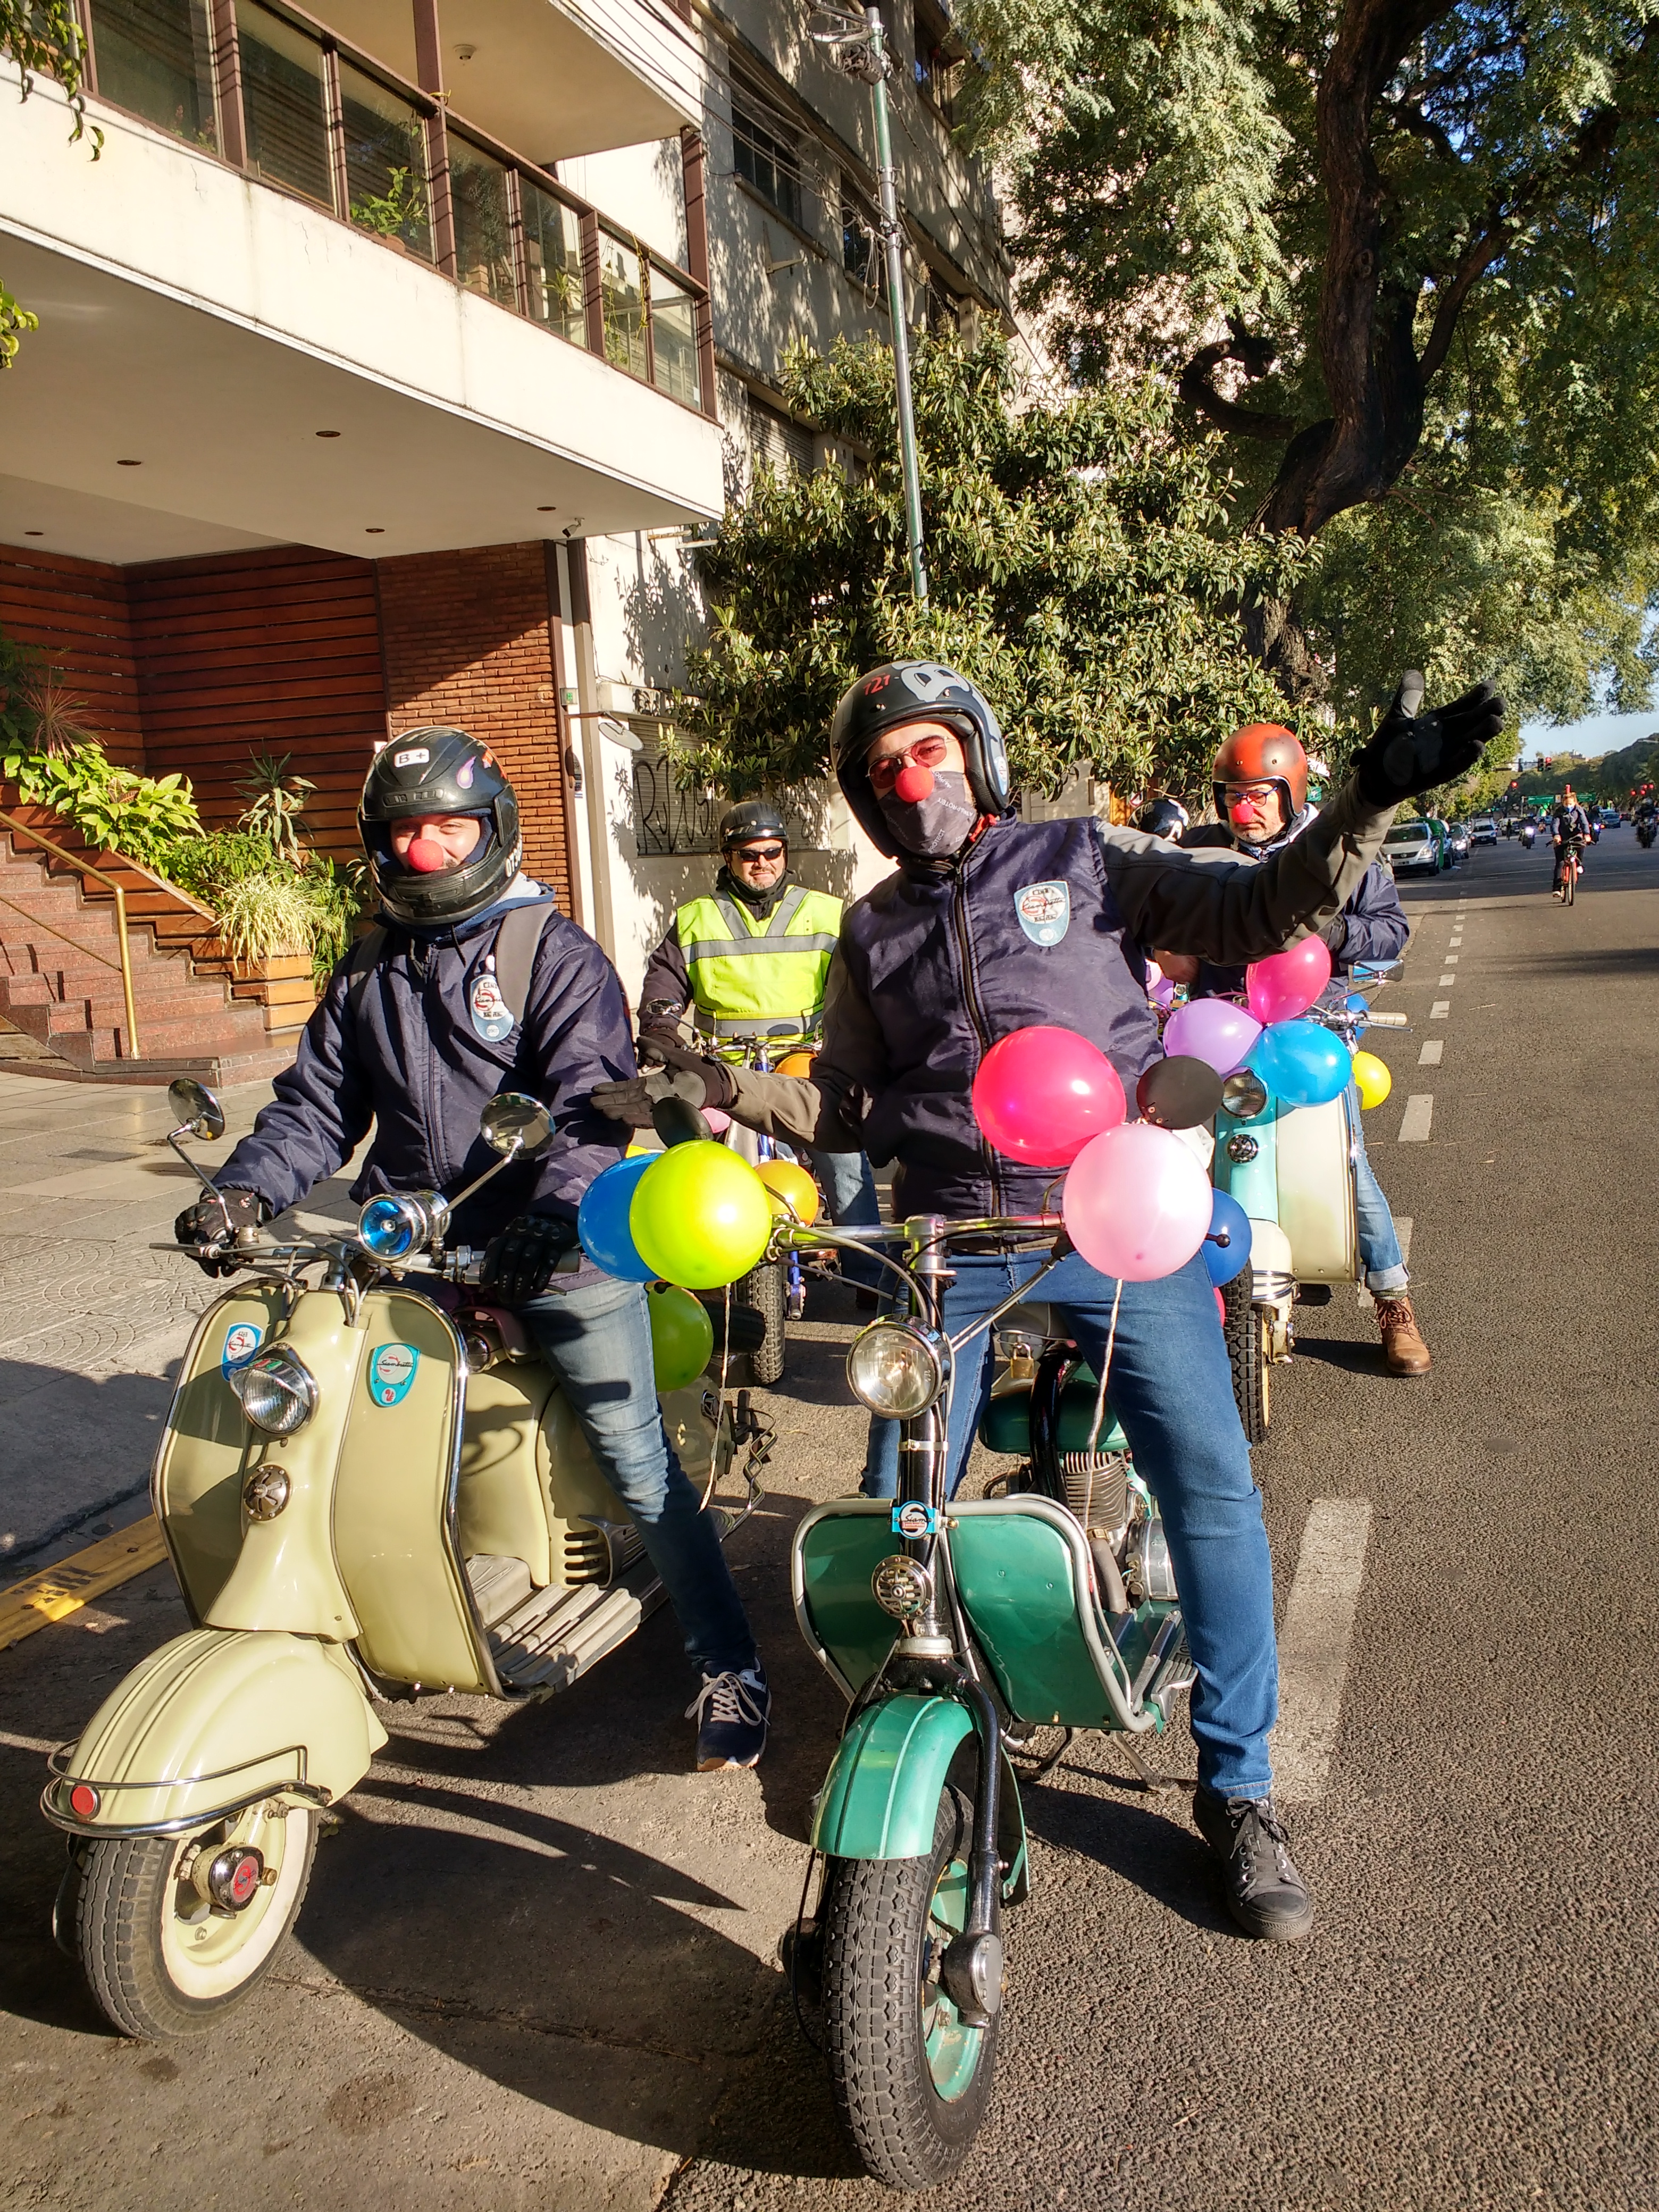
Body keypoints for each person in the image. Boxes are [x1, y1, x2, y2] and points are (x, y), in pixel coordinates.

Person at [594, 660, 1506, 1943]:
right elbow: (847, 1103)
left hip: (1114, 1219)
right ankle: (913, 1717)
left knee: (1209, 1485)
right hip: (950, 1241)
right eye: (883, 770)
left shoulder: (1085, 858)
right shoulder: (871, 931)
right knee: (896, 1499)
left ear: (977, 752)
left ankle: (1237, 1786)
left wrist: (1361, 804)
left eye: (928, 751)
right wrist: (713, 1088)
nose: (909, 781)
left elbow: (1259, 908)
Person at [173, 728, 769, 1772]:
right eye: (406, 831)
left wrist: (556, 1210)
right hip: (415, 1254)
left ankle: (731, 1664)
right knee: (348, 1434)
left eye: (448, 827)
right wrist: (243, 1190)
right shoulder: (369, 964)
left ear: (492, 830)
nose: (427, 850)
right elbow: (316, 1109)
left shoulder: (554, 954)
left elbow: (588, 1104)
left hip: (557, 1253)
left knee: (637, 1462)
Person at [1164, 722, 1430, 1377]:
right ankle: (1175, 1304)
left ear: (1290, 791)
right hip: (1217, 1034)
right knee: (1178, 1159)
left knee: (1348, 1165)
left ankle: (1394, 1300)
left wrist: (1329, 932)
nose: (1243, 809)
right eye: (1232, 796)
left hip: (1312, 1033)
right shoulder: (1199, 852)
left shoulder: (1338, 850)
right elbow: (1157, 919)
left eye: (1257, 795)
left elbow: (1391, 930)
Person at [638, 800, 879, 1258]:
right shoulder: (695, 918)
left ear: (785, 853)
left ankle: (869, 1272)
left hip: (804, 1065)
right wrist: (661, 1029)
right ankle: (697, 1262)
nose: (762, 863)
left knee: (843, 1159)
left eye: (772, 852)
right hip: (721, 1069)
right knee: (693, 1159)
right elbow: (665, 983)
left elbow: (861, 986)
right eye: (749, 854)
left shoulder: (826, 913)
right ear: (728, 858)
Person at [1551, 785, 1593, 896]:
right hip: (1562, 838)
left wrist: (1587, 834)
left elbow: (1584, 823)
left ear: (1575, 803)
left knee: (1582, 845)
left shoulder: (1579, 810)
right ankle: (1557, 888)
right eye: (1566, 804)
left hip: (1576, 836)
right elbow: (1555, 824)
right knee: (1560, 862)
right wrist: (1556, 836)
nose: (1568, 806)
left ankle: (1579, 864)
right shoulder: (1559, 812)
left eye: (1570, 804)